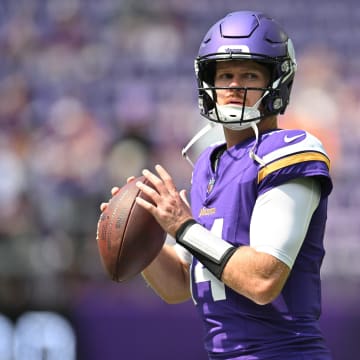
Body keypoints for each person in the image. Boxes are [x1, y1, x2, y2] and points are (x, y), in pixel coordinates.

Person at [100, 10, 333, 359]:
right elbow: (179, 284)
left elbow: (262, 280)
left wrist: (183, 226)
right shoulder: (208, 165)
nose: (234, 86)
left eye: (249, 74)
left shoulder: (291, 151)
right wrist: (142, 232)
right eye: (225, 75)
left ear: (277, 82)